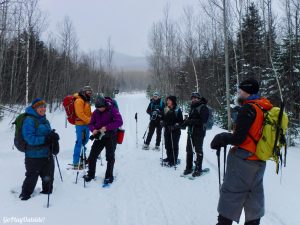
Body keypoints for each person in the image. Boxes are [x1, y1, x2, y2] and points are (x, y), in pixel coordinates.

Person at [210, 78, 273, 225]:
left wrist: (221, 137)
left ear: (247, 91)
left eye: (240, 90)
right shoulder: (264, 107)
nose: (238, 92)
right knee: (253, 198)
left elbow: (239, 138)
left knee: (230, 196)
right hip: (259, 160)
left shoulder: (248, 109)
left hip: (243, 161)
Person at [19, 98, 60, 200]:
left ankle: (46, 195)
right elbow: (30, 139)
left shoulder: (45, 120)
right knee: (31, 178)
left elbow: (48, 134)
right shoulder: (29, 120)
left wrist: (53, 137)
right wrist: (46, 139)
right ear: (35, 108)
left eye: (44, 106)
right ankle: (24, 198)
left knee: (48, 178)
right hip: (33, 156)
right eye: (40, 107)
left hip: (47, 155)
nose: (43, 108)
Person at [84, 96, 123, 185]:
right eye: (98, 108)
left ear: (105, 105)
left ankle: (109, 176)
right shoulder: (96, 112)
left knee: (110, 157)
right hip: (99, 136)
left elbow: (119, 122)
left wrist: (106, 127)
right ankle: (90, 174)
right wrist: (93, 129)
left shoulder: (112, 110)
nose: (100, 109)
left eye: (101, 108)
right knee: (92, 156)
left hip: (111, 136)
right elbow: (90, 123)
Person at [181, 92, 209, 177]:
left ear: (199, 99)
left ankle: (198, 169)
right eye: (192, 98)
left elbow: (203, 120)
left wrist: (191, 121)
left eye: (196, 98)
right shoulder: (193, 107)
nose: (194, 99)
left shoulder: (203, 107)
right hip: (191, 131)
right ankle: (189, 168)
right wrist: (185, 123)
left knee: (198, 150)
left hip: (199, 132)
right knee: (189, 149)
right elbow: (190, 119)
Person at [72, 86, 92, 168]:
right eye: (88, 92)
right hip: (80, 124)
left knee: (86, 140)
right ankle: (76, 162)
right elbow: (79, 114)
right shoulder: (79, 100)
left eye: (91, 92)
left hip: (86, 124)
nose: (90, 94)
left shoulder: (86, 101)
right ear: (84, 92)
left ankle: (83, 157)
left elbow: (87, 113)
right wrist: (89, 120)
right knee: (79, 142)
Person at [160, 96, 183, 167]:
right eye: (167, 100)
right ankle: (169, 157)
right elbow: (162, 117)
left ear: (173, 101)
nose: (168, 102)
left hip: (175, 131)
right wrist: (162, 122)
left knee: (174, 146)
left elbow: (181, 122)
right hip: (167, 129)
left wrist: (175, 126)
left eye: (169, 100)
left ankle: (174, 160)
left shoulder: (177, 110)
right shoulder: (165, 108)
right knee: (167, 145)